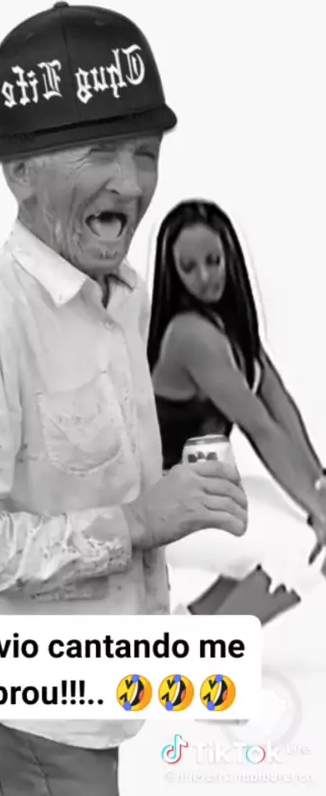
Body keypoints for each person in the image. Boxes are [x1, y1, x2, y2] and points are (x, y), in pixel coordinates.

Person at [0, 6, 248, 795]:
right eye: (99, 151)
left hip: (109, 675)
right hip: (39, 703)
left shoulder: (124, 296)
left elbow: (87, 470)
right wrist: (138, 523)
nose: (132, 182)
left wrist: (180, 498)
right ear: (20, 172)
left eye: (145, 152)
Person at [147, 198, 326, 614]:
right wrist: (319, 509)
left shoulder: (233, 329)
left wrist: (319, 485)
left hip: (201, 487)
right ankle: (212, 649)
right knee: (304, 547)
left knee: (300, 527)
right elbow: (259, 427)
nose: (204, 277)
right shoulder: (191, 335)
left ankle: (188, 633)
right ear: (173, 274)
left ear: (230, 256)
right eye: (188, 267)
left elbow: (280, 409)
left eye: (213, 261)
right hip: (160, 502)